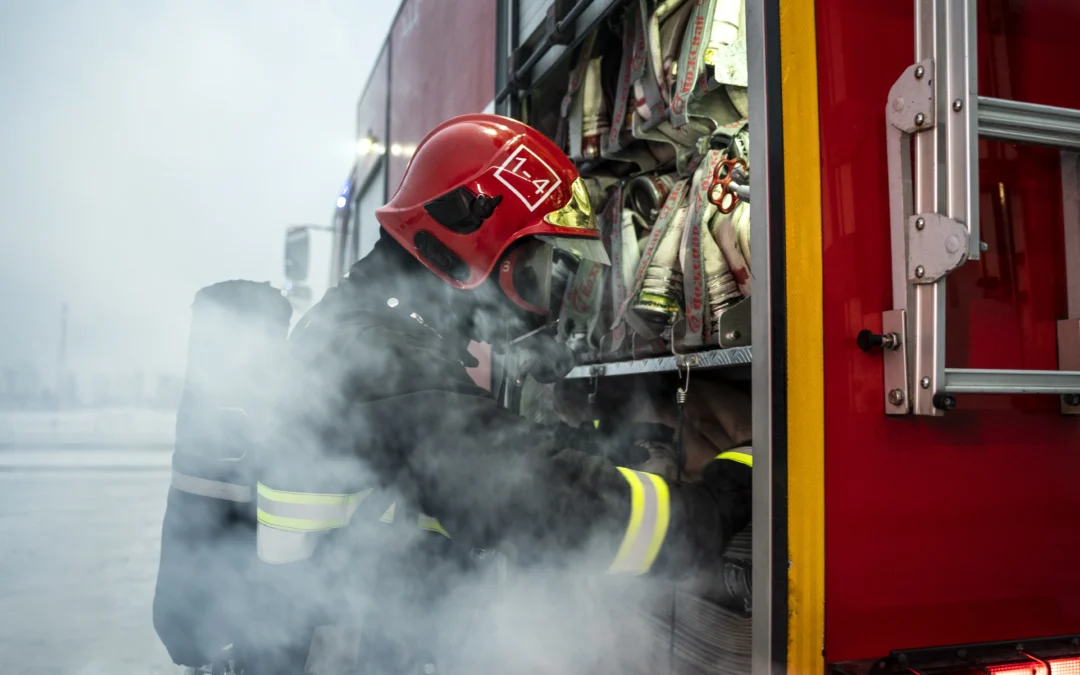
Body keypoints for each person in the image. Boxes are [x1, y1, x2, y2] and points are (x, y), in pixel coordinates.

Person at [250, 113, 753, 674]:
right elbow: (549, 508)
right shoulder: (387, 357)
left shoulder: (365, 328)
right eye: (539, 271)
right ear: (468, 241)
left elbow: (458, 467)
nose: (544, 302)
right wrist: (719, 499)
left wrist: (588, 439)